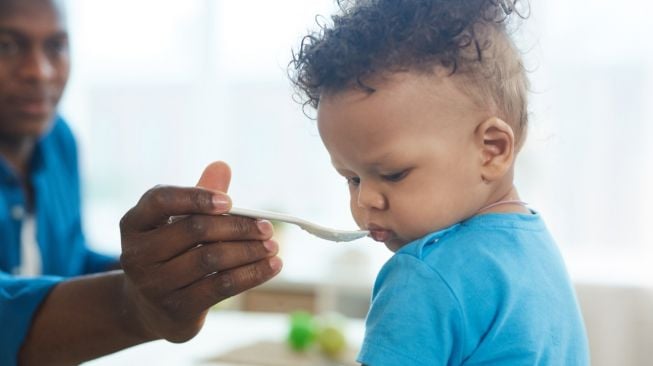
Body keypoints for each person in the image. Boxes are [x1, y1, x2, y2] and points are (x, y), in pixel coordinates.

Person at [290, 0, 589, 364]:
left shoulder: (422, 275)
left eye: (394, 173)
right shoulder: (536, 249)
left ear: (491, 150)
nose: (366, 199)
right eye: (351, 178)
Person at [0, 0, 282, 364]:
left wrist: (165, 263)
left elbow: (67, 261)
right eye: (6, 45)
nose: (39, 71)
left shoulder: (59, 142)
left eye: (56, 46)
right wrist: (138, 304)